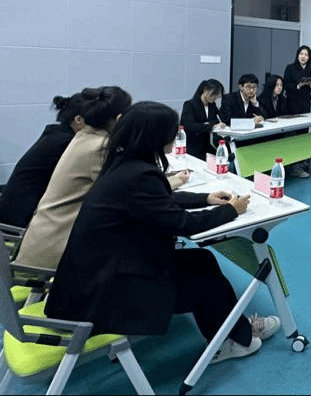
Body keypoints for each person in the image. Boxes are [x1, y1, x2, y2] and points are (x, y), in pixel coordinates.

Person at [44, 101, 280, 364]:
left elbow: (156, 200)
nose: (175, 136)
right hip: (105, 292)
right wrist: (231, 211)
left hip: (95, 277)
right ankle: (237, 339)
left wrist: (205, 198)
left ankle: (231, 336)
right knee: (204, 281)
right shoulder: (138, 174)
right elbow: (182, 224)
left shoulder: (123, 164)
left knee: (202, 260)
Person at [14, 86, 135, 269]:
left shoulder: (83, 136)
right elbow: (125, 190)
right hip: (55, 251)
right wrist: (174, 181)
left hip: (42, 237)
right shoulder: (100, 147)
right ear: (119, 118)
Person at [0, 93, 89, 228]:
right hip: (22, 220)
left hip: (14, 212)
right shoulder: (66, 143)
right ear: (78, 120)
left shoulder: (56, 134)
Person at [283, 46, 311, 177]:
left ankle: (302, 163)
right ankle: (292, 164)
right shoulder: (290, 68)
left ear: (309, 57)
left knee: (303, 133)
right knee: (292, 134)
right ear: (297, 55)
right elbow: (285, 85)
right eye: (301, 54)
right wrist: (297, 86)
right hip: (292, 104)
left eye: (306, 55)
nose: (303, 57)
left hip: (305, 104)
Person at [181, 79, 226, 159]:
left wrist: (211, 124)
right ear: (205, 90)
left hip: (209, 147)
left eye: (217, 95)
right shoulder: (189, 105)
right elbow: (189, 125)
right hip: (194, 147)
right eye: (214, 94)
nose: (215, 97)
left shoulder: (212, 106)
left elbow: (218, 119)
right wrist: (211, 125)